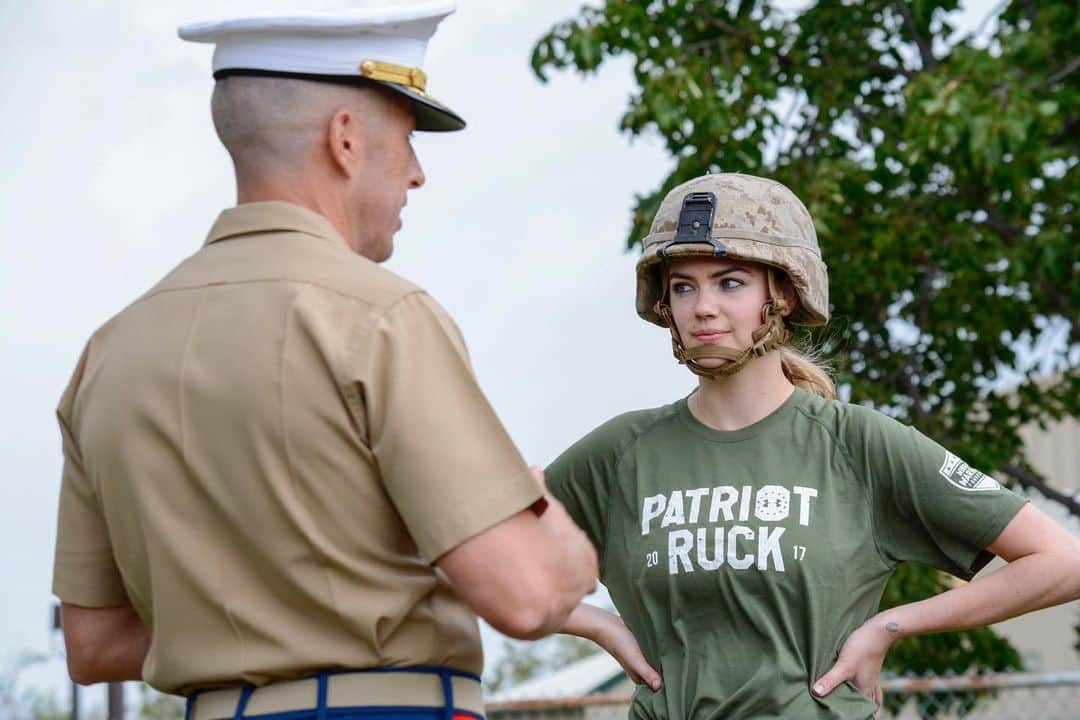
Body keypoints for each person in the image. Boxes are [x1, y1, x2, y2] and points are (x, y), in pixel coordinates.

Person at [51, 5, 598, 720]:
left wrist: (255, 623)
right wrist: (547, 516)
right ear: (345, 140)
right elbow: (526, 595)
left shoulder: (108, 351)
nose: (418, 174)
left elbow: (93, 643)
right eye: (406, 139)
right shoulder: (381, 318)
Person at [546, 173, 1080, 719]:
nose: (702, 306)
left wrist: (889, 627)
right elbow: (468, 551)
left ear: (783, 293)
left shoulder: (855, 442)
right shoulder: (621, 453)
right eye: (683, 286)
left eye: (730, 282)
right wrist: (593, 622)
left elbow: (1063, 561)